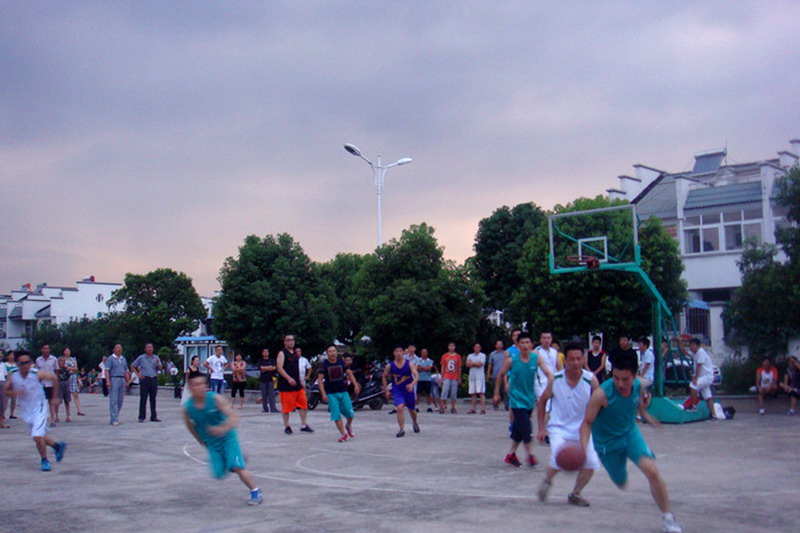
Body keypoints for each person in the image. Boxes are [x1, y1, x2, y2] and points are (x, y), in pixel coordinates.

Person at [580, 351, 683, 533]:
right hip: (607, 444)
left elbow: (639, 396)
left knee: (652, 471)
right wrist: (583, 450)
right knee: (621, 482)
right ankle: (619, 470)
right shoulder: (601, 395)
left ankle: (668, 518)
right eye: (616, 378)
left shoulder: (639, 384)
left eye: (625, 379)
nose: (620, 383)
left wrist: (644, 413)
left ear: (634, 376)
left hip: (630, 434)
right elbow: (586, 423)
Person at [537, 343, 600, 507]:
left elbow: (600, 403)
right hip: (558, 428)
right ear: (565, 360)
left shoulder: (591, 380)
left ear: (583, 359)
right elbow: (542, 401)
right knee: (559, 459)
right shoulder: (555, 379)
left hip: (582, 428)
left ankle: (575, 493)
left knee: (591, 463)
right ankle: (547, 481)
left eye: (579, 359)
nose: (576, 363)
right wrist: (541, 428)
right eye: (572, 359)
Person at [182, 373, 262, 505]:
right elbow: (190, 425)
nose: (200, 387)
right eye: (196, 385)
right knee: (218, 473)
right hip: (212, 442)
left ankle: (255, 491)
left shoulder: (215, 399)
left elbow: (234, 417)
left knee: (237, 466)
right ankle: (236, 457)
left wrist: (223, 428)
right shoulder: (188, 408)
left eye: (203, 384)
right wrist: (200, 440)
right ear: (190, 387)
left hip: (227, 437)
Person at [493, 332, 553, 468]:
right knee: (526, 427)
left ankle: (511, 454)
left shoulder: (536, 358)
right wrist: (496, 393)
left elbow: (548, 373)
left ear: (531, 345)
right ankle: (530, 455)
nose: (525, 345)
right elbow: (501, 374)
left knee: (519, 429)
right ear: (518, 345)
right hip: (516, 398)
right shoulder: (512, 360)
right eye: (522, 343)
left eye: (527, 343)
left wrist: (550, 385)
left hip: (529, 398)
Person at [4, 352, 68, 471]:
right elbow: (6, 390)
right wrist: (14, 393)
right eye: (22, 363)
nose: (25, 365)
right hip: (25, 408)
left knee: (37, 435)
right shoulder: (13, 374)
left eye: (27, 362)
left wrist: (54, 397)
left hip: (39, 406)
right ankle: (57, 446)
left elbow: (54, 378)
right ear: (18, 364)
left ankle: (44, 460)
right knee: (37, 436)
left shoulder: (36, 373)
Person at [318, 344, 361, 442]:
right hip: (331, 393)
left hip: (343, 391)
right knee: (336, 415)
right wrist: (323, 394)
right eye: (330, 351)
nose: (332, 353)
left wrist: (355, 385)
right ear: (327, 353)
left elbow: (349, 373)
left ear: (336, 352)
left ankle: (348, 425)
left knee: (350, 413)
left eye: (334, 351)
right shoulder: (324, 365)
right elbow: (320, 380)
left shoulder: (341, 362)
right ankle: (343, 434)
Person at [276, 334, 313, 434]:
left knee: (303, 404)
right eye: (288, 340)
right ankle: (287, 426)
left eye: (292, 340)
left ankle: (304, 424)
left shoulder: (296, 354)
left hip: (297, 384)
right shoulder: (282, 353)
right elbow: (279, 368)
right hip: (286, 385)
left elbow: (297, 369)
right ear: (284, 342)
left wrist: (301, 381)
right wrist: (288, 378)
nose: (291, 342)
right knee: (286, 407)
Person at [382, 345, 420, 438]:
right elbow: (384, 376)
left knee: (412, 409)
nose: (398, 353)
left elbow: (416, 376)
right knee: (399, 408)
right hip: (397, 389)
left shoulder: (409, 363)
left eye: (400, 351)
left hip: (408, 389)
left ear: (403, 352)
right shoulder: (390, 365)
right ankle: (401, 429)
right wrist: (386, 390)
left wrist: (411, 384)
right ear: (394, 353)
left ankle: (415, 422)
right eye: (396, 351)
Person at [682, 339, 715, 418]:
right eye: (690, 345)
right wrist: (680, 342)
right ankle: (714, 415)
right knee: (708, 397)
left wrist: (695, 378)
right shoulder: (696, 353)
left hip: (706, 377)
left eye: (693, 345)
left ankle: (694, 407)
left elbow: (699, 366)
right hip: (705, 377)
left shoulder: (700, 352)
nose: (691, 347)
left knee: (693, 386)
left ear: (698, 346)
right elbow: (684, 352)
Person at [131, 343, 163, 423]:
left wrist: (158, 363)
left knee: (153, 399)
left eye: (151, 347)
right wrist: (138, 374)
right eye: (148, 347)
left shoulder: (156, 357)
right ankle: (141, 416)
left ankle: (153, 416)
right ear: (145, 349)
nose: (150, 349)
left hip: (153, 379)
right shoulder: (141, 358)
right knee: (143, 398)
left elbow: (160, 369)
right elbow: (132, 366)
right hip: (145, 379)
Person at [105, 343, 131, 426]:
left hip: (122, 379)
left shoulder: (123, 359)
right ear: (114, 349)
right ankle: (114, 419)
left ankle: (115, 416)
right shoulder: (110, 358)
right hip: (114, 378)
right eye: (117, 348)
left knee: (120, 400)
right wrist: (108, 381)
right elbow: (107, 370)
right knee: (114, 400)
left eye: (120, 348)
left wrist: (128, 381)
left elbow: (126, 370)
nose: (119, 349)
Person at [35, 344, 59, 426]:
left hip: (50, 384)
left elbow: (56, 370)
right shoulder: (38, 360)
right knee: (41, 403)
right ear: (42, 350)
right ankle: (41, 419)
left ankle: (52, 419)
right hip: (41, 383)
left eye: (48, 348)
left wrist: (54, 379)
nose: (46, 350)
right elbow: (37, 371)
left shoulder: (54, 359)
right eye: (44, 348)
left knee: (51, 402)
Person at [438, 342, 462, 414]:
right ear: (448, 347)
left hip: (455, 377)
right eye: (450, 346)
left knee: (454, 393)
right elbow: (443, 366)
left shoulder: (458, 356)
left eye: (453, 346)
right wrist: (442, 377)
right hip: (446, 376)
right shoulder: (445, 356)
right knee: (444, 392)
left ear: (455, 347)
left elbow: (459, 367)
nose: (451, 347)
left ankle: (453, 407)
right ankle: (441, 407)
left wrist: (459, 377)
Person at [62, 348, 85, 416]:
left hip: (73, 377)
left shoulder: (73, 359)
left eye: (68, 350)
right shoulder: (62, 359)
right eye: (66, 351)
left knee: (75, 394)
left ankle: (79, 410)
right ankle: (68, 411)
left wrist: (70, 368)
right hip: (65, 378)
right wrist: (71, 368)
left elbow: (76, 368)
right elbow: (62, 367)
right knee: (66, 395)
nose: (67, 352)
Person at [487, 340, 508, 411]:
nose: (499, 346)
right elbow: (490, 364)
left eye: (500, 344)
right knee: (496, 390)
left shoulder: (505, 353)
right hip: (495, 375)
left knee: (505, 390)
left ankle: (506, 405)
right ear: (495, 345)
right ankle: (496, 404)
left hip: (504, 375)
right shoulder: (492, 354)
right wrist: (488, 373)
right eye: (498, 344)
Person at [466, 343, 487, 414]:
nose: (477, 348)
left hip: (480, 376)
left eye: (478, 347)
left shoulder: (483, 355)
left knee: (481, 392)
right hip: (472, 376)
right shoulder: (470, 355)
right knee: (473, 393)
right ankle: (473, 408)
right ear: (473, 348)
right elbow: (467, 364)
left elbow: (480, 364)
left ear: (480, 348)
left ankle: (483, 408)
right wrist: (475, 363)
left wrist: (472, 363)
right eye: (476, 347)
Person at [414, 348, 436, 412]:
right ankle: (416, 407)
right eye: (423, 352)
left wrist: (422, 367)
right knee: (418, 393)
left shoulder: (430, 361)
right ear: (421, 353)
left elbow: (428, 369)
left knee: (428, 393)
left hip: (427, 379)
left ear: (427, 353)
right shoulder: (418, 360)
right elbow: (417, 368)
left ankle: (429, 407)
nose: (424, 354)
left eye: (425, 352)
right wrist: (424, 368)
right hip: (419, 379)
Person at [257, 349, 278, 413]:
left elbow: (274, 368)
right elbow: (261, 368)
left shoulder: (272, 360)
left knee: (272, 395)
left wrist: (265, 368)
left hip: (271, 379)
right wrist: (269, 367)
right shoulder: (260, 361)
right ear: (262, 353)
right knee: (264, 395)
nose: (266, 353)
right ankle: (265, 408)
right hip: (263, 379)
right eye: (264, 352)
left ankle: (273, 408)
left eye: (267, 352)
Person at [55, 356, 73, 423]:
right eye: (60, 361)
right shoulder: (56, 369)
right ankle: (56, 416)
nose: (62, 362)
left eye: (63, 361)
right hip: (59, 384)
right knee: (57, 402)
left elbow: (71, 373)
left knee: (67, 401)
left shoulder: (67, 369)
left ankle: (68, 416)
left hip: (66, 384)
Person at [5, 351, 18, 419]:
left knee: (14, 399)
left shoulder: (16, 365)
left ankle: (12, 413)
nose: (12, 356)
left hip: (15, 383)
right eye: (10, 355)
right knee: (5, 399)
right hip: (7, 382)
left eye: (13, 355)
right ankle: (3, 413)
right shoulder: (5, 365)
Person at [0, 350, 8, 428]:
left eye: (1, 354)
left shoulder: (3, 365)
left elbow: (5, 375)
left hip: (2, 383)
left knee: (3, 403)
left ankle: (1, 422)